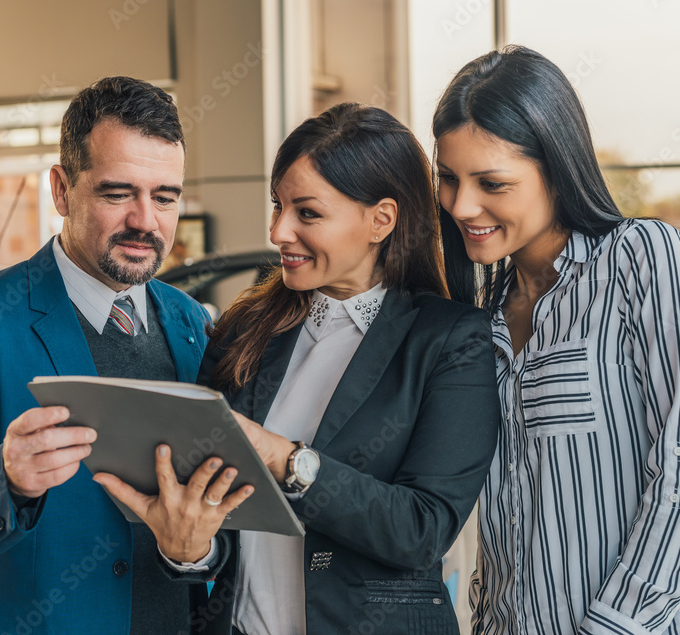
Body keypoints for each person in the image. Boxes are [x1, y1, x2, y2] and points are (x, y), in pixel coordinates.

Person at [96, 102, 502, 635]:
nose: (279, 231)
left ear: (381, 219)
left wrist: (284, 458)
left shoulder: (449, 340)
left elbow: (421, 530)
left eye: (306, 213)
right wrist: (189, 549)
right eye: (277, 206)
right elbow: (209, 517)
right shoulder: (245, 329)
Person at [0, 76, 225, 635]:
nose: (145, 221)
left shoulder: (193, 324)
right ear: (61, 190)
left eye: (165, 198)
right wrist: (5, 478)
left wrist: (195, 553)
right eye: (118, 193)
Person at [431, 45, 680, 634]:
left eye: (491, 182)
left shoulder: (642, 260)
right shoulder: (480, 319)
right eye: (448, 179)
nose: (462, 205)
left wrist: (613, 626)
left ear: (557, 170)